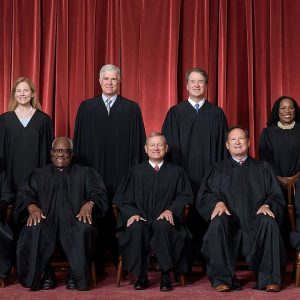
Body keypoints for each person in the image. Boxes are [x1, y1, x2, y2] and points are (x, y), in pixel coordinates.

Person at [73, 64, 146, 270]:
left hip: (122, 172)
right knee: (94, 210)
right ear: (99, 81)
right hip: (93, 172)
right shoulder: (86, 108)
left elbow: (139, 145)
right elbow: (77, 143)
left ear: (119, 81)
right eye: (106, 79)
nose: (109, 82)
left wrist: (134, 177)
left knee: (120, 209)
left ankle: (120, 255)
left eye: (113, 79)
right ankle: (95, 258)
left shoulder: (131, 108)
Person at [196, 127, 286, 292]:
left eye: (241, 139)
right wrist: (217, 203)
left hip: (255, 220)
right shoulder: (217, 169)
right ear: (227, 145)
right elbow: (205, 195)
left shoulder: (263, 167)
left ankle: (270, 279)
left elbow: (275, 195)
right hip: (229, 222)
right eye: (233, 140)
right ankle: (222, 279)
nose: (237, 142)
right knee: (217, 223)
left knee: (269, 222)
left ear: (249, 142)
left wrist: (268, 205)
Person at [14, 137, 108, 291]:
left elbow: (99, 193)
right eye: (57, 150)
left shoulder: (85, 173)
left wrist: (90, 203)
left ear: (71, 154)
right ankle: (45, 274)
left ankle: (76, 274)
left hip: (74, 221)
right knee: (33, 229)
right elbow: (24, 194)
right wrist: (31, 206)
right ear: (51, 153)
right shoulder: (38, 174)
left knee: (84, 230)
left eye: (65, 151)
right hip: (46, 220)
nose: (60, 154)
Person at [162, 68, 228, 261]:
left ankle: (211, 261)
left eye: (201, 82)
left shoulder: (216, 114)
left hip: (210, 178)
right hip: (184, 176)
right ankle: (185, 261)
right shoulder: (175, 113)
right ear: (187, 85)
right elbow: (169, 150)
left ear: (206, 85)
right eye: (193, 81)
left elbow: (225, 150)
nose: (197, 85)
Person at [113, 132, 193, 291]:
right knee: (136, 228)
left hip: (166, 221)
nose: (156, 148)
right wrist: (132, 214)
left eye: (160, 145)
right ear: (145, 148)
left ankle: (165, 275)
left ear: (166, 148)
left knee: (162, 226)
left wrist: (171, 210)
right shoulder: (134, 172)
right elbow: (120, 199)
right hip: (141, 218)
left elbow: (186, 196)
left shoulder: (177, 172)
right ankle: (141, 276)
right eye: (152, 145)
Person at [0, 77, 54, 193]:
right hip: (10, 181)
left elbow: (49, 154)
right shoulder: (5, 120)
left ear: (32, 94)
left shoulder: (43, 120)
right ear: (14, 94)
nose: (22, 94)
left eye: (26, 90)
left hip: (37, 180)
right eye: (18, 91)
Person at [0, 171, 14, 280]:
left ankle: (2, 273)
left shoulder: (1, 174)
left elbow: (7, 194)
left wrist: (2, 204)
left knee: (4, 234)